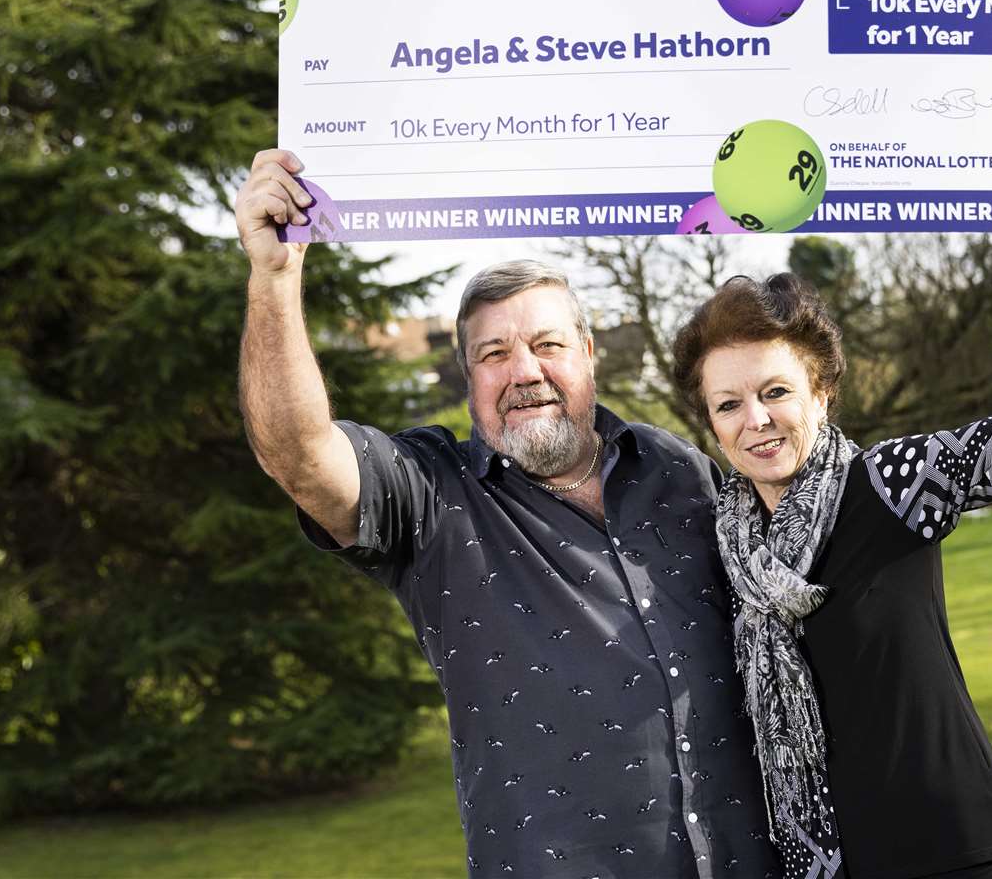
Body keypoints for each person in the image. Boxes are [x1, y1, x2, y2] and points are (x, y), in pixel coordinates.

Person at [234, 148, 781, 878]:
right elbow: (298, 455)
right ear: (469, 377)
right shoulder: (430, 498)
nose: (523, 371)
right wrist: (274, 279)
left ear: (587, 356)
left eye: (546, 344)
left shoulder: (676, 469)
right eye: (493, 353)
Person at [669, 180, 992, 879]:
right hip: (826, 867)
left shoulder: (889, 484)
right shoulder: (728, 546)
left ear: (820, 394)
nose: (755, 421)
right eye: (728, 405)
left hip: (951, 850)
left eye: (774, 393)